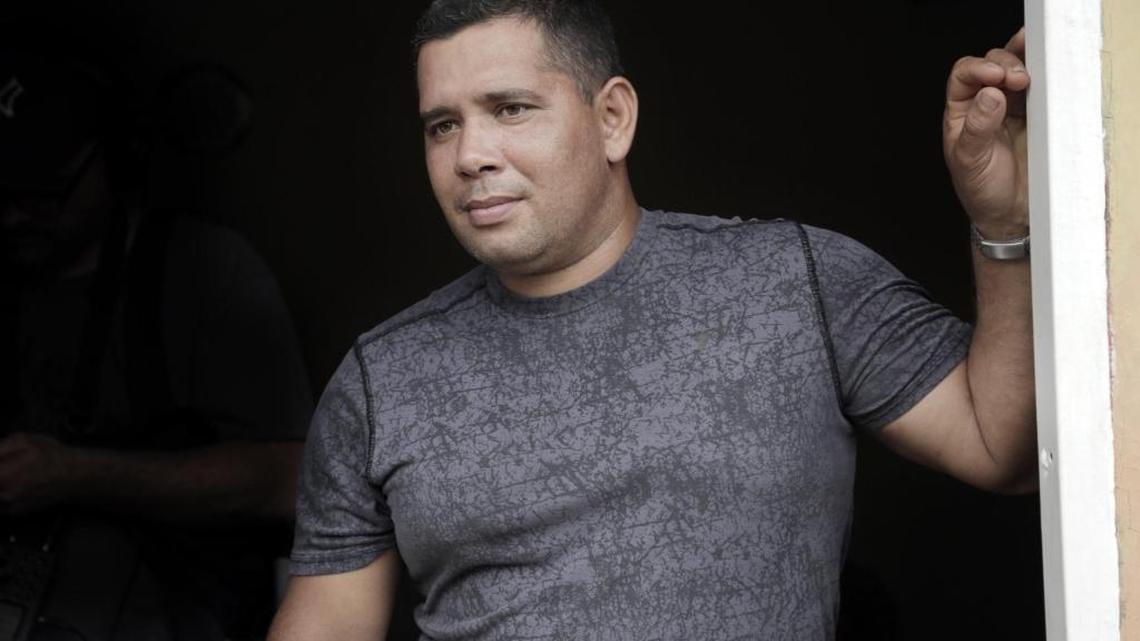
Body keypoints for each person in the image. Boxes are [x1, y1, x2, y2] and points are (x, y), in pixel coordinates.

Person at [269, 1, 1035, 639]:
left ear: (612, 118)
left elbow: (1000, 446)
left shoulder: (793, 281)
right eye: (442, 125)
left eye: (510, 109)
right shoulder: (382, 381)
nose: (472, 153)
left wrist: (1001, 222)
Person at [0, 47, 313, 640]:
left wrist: (73, 475)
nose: (14, 218)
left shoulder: (203, 270)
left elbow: (290, 482)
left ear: (112, 163)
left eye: (42, 195)